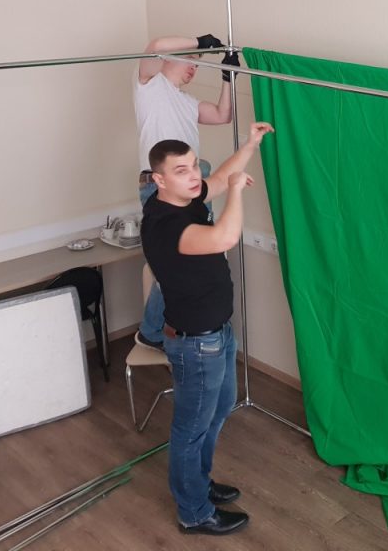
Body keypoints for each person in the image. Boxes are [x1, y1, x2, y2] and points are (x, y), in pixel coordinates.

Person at [140, 123, 274, 535]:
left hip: (217, 333)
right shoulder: (165, 224)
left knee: (217, 412)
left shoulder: (185, 198)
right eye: (181, 170)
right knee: (190, 430)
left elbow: (216, 178)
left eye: (193, 164)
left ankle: (198, 483)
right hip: (196, 345)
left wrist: (250, 145)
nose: (193, 175)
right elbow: (224, 237)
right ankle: (194, 512)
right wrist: (236, 192)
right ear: (159, 179)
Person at [134, 34, 242, 350]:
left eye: (198, 64)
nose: (194, 68)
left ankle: (176, 330)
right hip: (161, 184)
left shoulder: (187, 102)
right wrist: (199, 41)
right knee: (175, 266)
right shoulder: (149, 86)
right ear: (171, 59)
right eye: (191, 61)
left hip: (194, 182)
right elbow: (155, 45)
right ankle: (153, 331)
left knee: (197, 263)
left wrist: (228, 77)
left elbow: (223, 115)